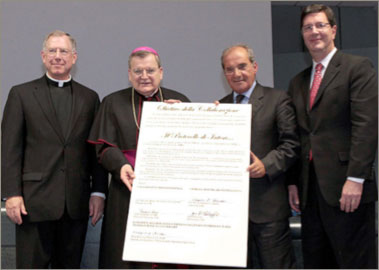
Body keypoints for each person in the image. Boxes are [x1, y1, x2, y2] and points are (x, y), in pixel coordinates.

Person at [1, 30, 108, 268]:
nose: (57, 56)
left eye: (63, 51)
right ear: (43, 56)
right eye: (52, 50)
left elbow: (96, 150)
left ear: (74, 57)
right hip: (32, 204)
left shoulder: (90, 98)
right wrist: (11, 194)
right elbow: (10, 148)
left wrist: (98, 192)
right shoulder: (21, 94)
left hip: (75, 204)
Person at [287, 4, 378, 269]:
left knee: (353, 261)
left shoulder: (357, 68)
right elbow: (297, 135)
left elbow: (367, 125)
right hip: (310, 191)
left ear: (334, 30)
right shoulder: (298, 81)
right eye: (307, 27)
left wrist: (355, 178)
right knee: (317, 261)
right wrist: (293, 183)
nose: (314, 31)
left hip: (348, 188)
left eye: (320, 25)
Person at [88, 46, 190, 269]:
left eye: (150, 70)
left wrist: (185, 117)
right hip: (126, 192)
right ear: (129, 74)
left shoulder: (179, 101)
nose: (144, 76)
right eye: (138, 71)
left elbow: (193, 149)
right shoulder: (112, 103)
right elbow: (103, 148)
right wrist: (121, 164)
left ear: (161, 72)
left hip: (169, 197)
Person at [217, 44, 299, 268]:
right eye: (230, 69)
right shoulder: (219, 107)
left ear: (254, 67)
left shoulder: (278, 99)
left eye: (242, 66)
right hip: (231, 215)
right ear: (224, 73)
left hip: (268, 210)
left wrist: (266, 165)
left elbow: (291, 144)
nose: (236, 73)